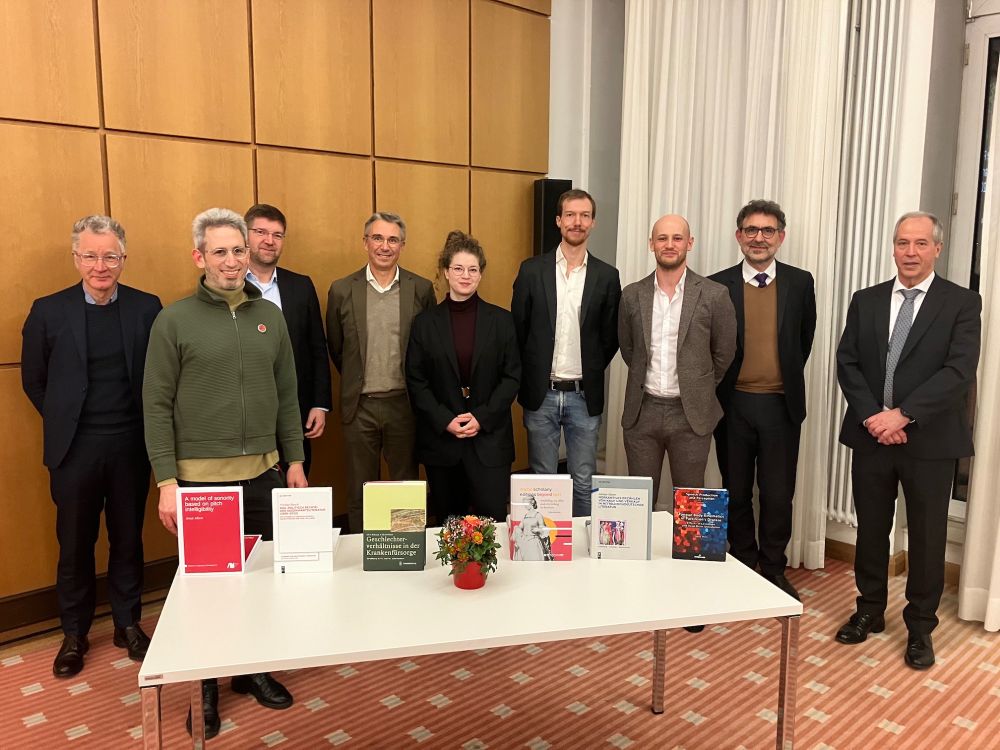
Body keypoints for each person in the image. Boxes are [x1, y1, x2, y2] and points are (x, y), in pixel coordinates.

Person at [144, 208, 307, 737]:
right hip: (200, 483)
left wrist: (296, 462)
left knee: (259, 584)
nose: (233, 260)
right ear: (200, 257)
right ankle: (206, 688)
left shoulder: (271, 317)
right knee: (209, 592)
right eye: (220, 251)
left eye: (239, 250)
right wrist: (167, 481)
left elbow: (287, 395)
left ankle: (251, 670)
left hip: (263, 474)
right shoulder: (175, 320)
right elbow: (156, 404)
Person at [834, 211, 981, 670]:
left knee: (927, 536)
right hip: (872, 435)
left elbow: (958, 372)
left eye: (920, 244)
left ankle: (920, 628)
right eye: (902, 243)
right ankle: (869, 610)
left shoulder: (962, 303)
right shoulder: (867, 299)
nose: (910, 252)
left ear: (937, 248)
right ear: (893, 247)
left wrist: (904, 414)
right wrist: (876, 417)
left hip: (930, 441)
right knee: (872, 530)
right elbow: (848, 362)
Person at [21, 216, 161, 678]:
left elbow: (158, 378)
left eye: (110, 256)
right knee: (75, 545)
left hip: (130, 447)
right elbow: (35, 381)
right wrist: (69, 422)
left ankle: (127, 624)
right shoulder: (48, 310)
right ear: (76, 257)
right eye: (90, 255)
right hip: (74, 451)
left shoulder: (147, 308)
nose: (100, 265)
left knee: (127, 539)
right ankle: (74, 633)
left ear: (123, 259)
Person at [709, 200, 816, 601]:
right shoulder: (716, 284)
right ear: (739, 236)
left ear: (780, 237)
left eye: (767, 231)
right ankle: (742, 562)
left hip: (780, 405)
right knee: (735, 491)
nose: (759, 238)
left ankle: (773, 569)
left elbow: (803, 341)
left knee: (776, 493)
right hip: (732, 404)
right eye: (751, 230)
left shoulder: (800, 282)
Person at [511, 189, 621, 516]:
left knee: (584, 479)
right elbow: (519, 328)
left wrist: (591, 365)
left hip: (583, 396)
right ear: (559, 221)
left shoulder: (607, 275)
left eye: (584, 215)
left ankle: (585, 556)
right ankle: (546, 552)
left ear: (593, 222)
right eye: (570, 215)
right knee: (543, 480)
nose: (577, 222)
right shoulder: (532, 271)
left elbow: (611, 335)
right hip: (541, 393)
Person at [326, 212, 435, 533]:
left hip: (405, 405)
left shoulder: (421, 289)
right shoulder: (342, 290)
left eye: (392, 239)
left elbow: (429, 347)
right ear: (365, 243)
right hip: (360, 407)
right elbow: (337, 347)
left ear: (402, 245)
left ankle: (404, 549)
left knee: (405, 486)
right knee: (361, 487)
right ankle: (364, 547)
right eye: (377, 238)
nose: (384, 246)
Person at [619, 214, 737, 505]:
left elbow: (724, 353)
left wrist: (697, 383)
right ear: (651, 244)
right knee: (639, 501)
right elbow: (629, 349)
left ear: (689, 243)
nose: (669, 245)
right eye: (662, 238)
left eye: (677, 238)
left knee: (690, 505)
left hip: (691, 414)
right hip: (642, 413)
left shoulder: (714, 295)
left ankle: (683, 553)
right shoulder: (632, 295)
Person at [405, 231, 520, 522]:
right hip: (443, 442)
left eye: (472, 269)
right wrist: (445, 419)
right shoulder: (424, 324)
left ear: (481, 274)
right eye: (458, 268)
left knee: (491, 521)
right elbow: (417, 381)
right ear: (446, 272)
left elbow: (511, 378)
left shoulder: (503, 321)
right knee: (448, 524)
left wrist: (481, 417)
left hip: (490, 441)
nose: (465, 275)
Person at [244, 204, 331, 476]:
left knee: (295, 489)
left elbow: (317, 347)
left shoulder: (301, 286)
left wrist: (320, 403)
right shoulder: (226, 286)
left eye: (277, 234)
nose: (269, 241)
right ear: (244, 235)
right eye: (260, 232)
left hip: (296, 410)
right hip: (245, 413)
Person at [513, 497, 549, 561]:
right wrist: (517, 537)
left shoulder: (538, 515)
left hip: (533, 541)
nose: (525, 506)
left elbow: (543, 528)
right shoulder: (525, 515)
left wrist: (537, 529)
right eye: (524, 504)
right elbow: (520, 527)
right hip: (525, 541)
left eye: (526, 504)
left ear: (532, 503)